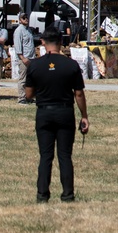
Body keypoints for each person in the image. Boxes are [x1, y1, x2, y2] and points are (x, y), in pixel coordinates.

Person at [24, 27, 89, 203]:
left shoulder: (35, 65)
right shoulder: (71, 65)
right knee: (65, 156)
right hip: (65, 112)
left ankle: (42, 194)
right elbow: (79, 94)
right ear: (61, 43)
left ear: (43, 43)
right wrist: (84, 116)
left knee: (45, 156)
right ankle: (68, 194)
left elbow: (28, 95)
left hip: (44, 112)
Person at [14, 13, 36, 105]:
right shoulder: (19, 30)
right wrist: (22, 58)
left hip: (31, 57)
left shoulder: (29, 30)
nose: (26, 19)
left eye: (27, 17)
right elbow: (18, 45)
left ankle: (29, 96)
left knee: (30, 79)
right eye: (23, 18)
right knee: (23, 79)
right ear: (20, 20)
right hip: (24, 58)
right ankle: (21, 98)